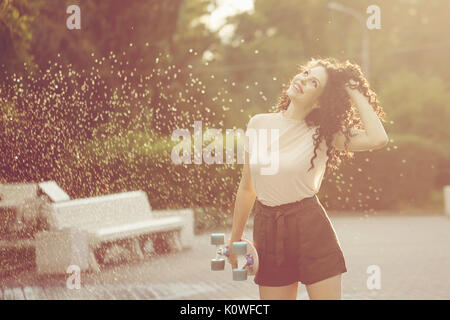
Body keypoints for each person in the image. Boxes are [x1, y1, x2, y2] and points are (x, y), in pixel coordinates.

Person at [228, 57, 388, 300]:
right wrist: (235, 238)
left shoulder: (324, 134)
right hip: (268, 228)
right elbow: (247, 189)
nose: (303, 80)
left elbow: (378, 139)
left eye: (313, 82)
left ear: (320, 101)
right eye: (305, 74)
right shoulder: (259, 124)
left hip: (310, 227)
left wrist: (353, 90)